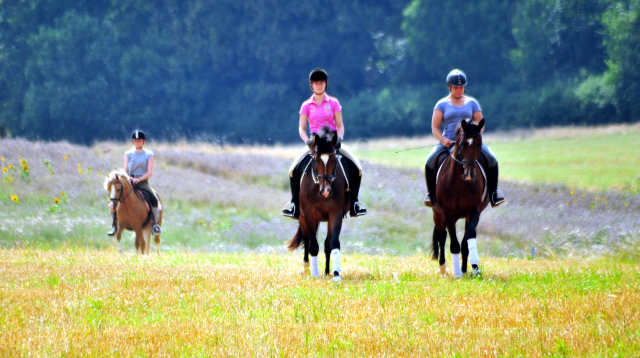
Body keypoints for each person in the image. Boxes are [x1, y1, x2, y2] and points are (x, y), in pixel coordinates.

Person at [282, 68, 367, 219]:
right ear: (312, 86)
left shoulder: (333, 103)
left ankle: (355, 204)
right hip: (315, 142)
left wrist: (339, 139)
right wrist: (308, 141)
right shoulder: (306, 106)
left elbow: (340, 125)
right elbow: (301, 129)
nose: (319, 85)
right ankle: (294, 205)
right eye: (316, 83)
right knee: (292, 170)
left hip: (333, 141)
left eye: (321, 83)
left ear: (325, 84)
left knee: (358, 168)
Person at [424, 69, 506, 208]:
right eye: (456, 87)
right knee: (429, 162)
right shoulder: (441, 104)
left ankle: (493, 194)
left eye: (461, 87)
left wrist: (474, 132)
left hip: (470, 143)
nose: (459, 90)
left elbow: (481, 124)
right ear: (449, 87)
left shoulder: (472, 103)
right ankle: (431, 195)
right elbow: (435, 128)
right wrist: (443, 140)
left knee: (492, 159)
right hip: (449, 142)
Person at [108, 130, 162, 236]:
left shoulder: (149, 154)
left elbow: (150, 172)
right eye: (136, 141)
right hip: (130, 182)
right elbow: (125, 170)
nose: (137, 142)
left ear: (143, 141)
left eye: (140, 141)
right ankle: (114, 225)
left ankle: (155, 224)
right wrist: (129, 178)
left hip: (143, 183)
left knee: (154, 199)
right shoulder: (128, 154)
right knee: (113, 200)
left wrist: (140, 179)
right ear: (133, 142)